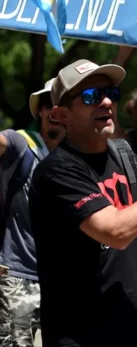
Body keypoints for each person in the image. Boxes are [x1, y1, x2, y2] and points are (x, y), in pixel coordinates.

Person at [29, 59, 137, 346]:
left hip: (132, 329)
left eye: (111, 94)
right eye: (92, 96)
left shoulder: (125, 156)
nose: (107, 102)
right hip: (79, 335)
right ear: (60, 114)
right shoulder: (57, 170)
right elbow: (116, 232)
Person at [0, 79, 65, 347]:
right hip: (18, 278)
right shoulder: (21, 144)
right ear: (40, 110)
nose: (55, 110)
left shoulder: (77, 159)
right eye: (50, 104)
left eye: (62, 104)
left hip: (62, 284)